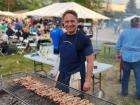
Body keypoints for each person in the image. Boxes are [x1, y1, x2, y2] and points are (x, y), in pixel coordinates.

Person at [56, 10, 94, 92]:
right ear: (63, 23)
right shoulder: (62, 37)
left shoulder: (84, 39)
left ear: (77, 22)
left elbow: (90, 61)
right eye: (67, 21)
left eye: (72, 21)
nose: (70, 24)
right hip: (61, 75)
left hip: (75, 78)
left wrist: (87, 81)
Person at [115, 17, 140, 99]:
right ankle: (139, 95)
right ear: (138, 24)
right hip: (138, 58)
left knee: (125, 76)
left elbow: (118, 45)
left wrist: (117, 54)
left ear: (131, 24)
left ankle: (124, 92)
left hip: (126, 57)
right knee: (138, 77)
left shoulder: (124, 32)